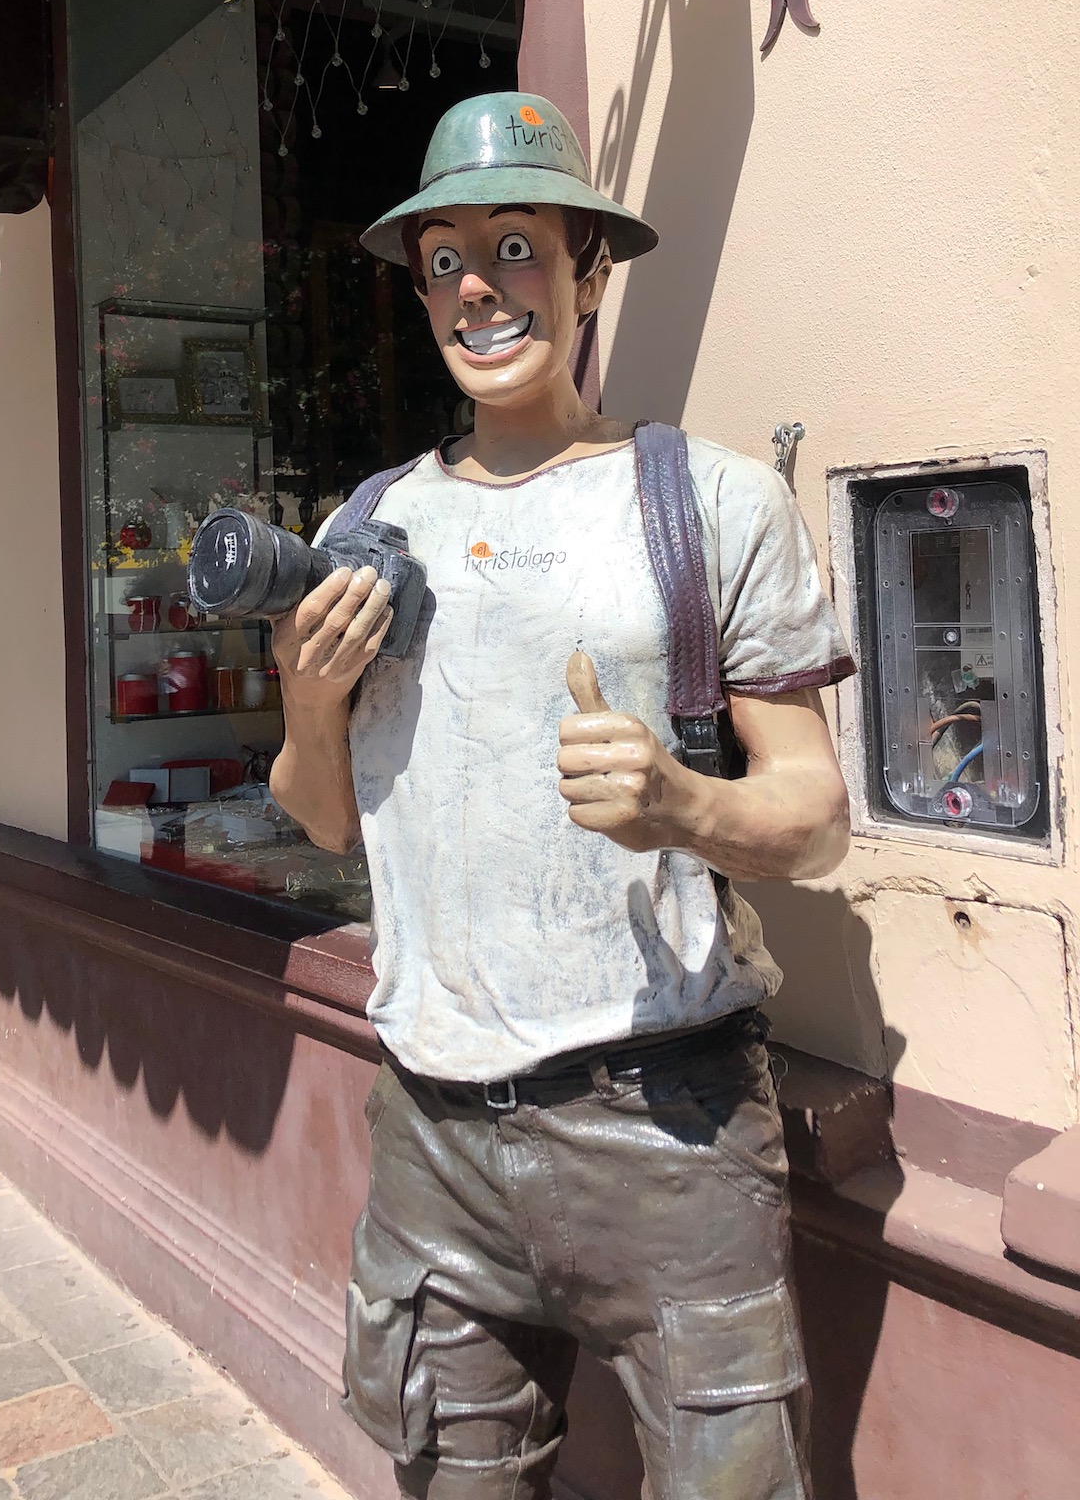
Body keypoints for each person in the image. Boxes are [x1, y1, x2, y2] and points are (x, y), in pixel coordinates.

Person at [269, 93, 855, 1500]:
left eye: (517, 247)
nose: (479, 288)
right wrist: (306, 700)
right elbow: (326, 819)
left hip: (668, 1126)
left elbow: (816, 817)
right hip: (431, 1130)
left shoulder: (708, 503)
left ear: (590, 272)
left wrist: (680, 808)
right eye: (446, 262)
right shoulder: (364, 527)